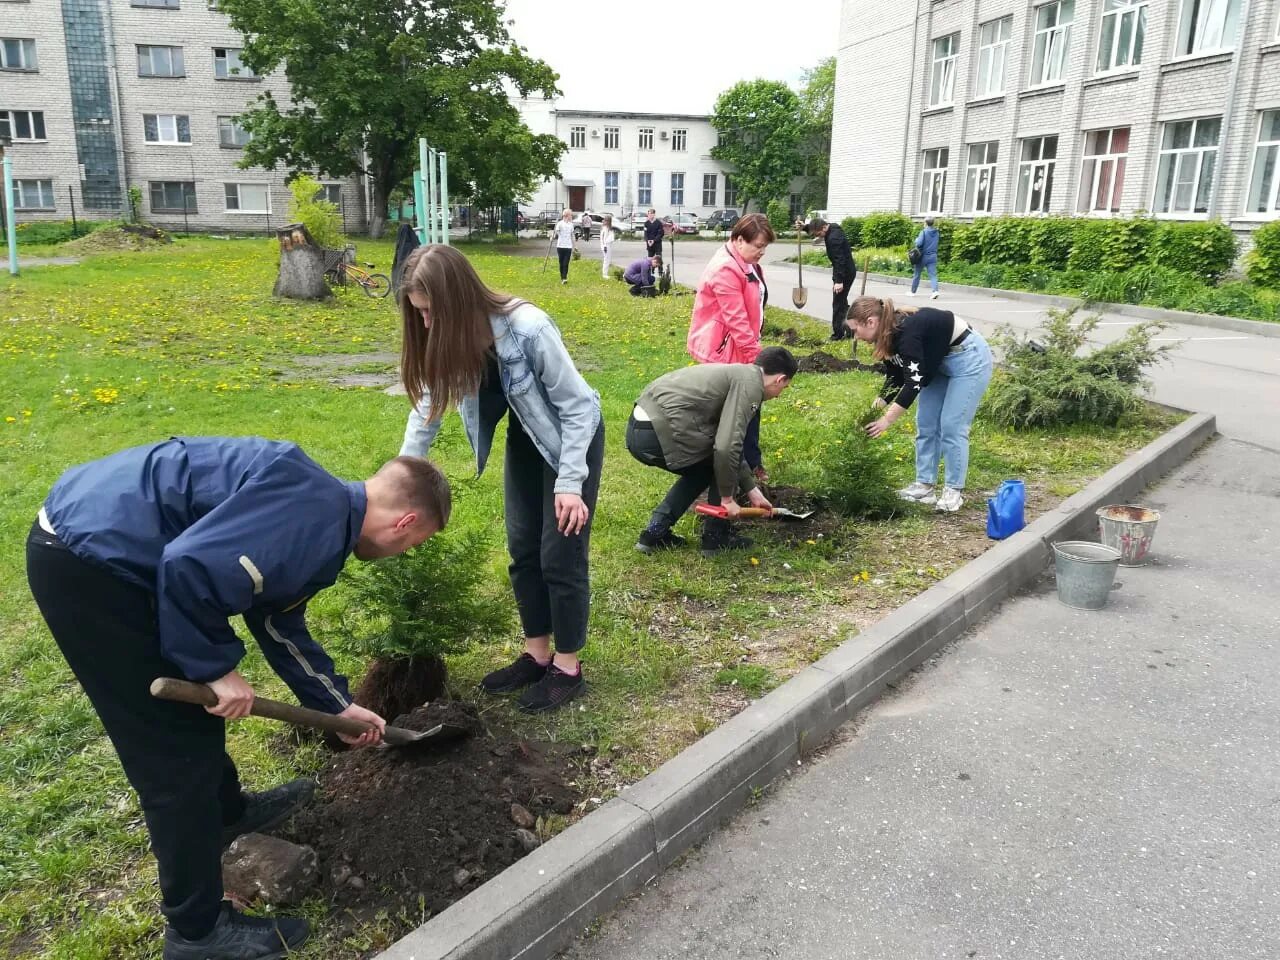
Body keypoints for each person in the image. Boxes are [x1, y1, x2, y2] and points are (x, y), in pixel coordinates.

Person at [25, 437, 450, 960]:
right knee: (173, 755)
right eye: (413, 544)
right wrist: (217, 668)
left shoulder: (324, 518)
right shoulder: (309, 516)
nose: (400, 555)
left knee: (195, 723)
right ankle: (196, 932)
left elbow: (277, 621)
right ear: (403, 523)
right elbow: (186, 566)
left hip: (112, 539)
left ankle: (227, 812)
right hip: (91, 559)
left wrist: (335, 705)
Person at [398, 244, 604, 712]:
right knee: (522, 548)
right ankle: (536, 655)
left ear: (455, 301)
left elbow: (577, 408)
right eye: (420, 314)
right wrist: (404, 476)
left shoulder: (528, 328)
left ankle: (568, 669)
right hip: (527, 438)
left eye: (430, 312)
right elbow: (427, 409)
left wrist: (569, 483)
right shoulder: (446, 335)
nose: (426, 324)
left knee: (561, 553)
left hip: (571, 439)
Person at [627, 347, 798, 557]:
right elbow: (727, 447)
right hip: (660, 430)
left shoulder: (738, 374)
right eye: (785, 387)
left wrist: (752, 490)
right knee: (721, 462)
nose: (780, 395)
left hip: (639, 429)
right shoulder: (750, 386)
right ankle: (716, 538)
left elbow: (724, 441)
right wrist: (727, 498)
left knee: (703, 469)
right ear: (779, 380)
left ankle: (654, 534)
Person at [846, 296, 993, 513]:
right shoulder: (887, 335)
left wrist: (886, 420)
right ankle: (924, 487)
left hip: (967, 357)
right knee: (926, 423)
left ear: (870, 322)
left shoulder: (907, 333)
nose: (855, 336)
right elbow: (896, 376)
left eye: (855, 330)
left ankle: (953, 490)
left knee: (952, 425)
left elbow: (913, 382)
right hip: (938, 362)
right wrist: (872, 410)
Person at [686, 212, 775, 483]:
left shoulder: (745, 263)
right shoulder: (726, 268)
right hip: (725, 351)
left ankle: (747, 465)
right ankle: (728, 472)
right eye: (758, 246)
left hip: (740, 347)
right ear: (738, 240)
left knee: (749, 407)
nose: (761, 252)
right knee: (736, 412)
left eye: (764, 247)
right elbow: (736, 321)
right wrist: (758, 362)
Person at [804, 217, 857, 341]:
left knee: (838, 304)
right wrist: (804, 227)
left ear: (824, 228)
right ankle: (850, 330)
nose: (819, 236)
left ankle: (838, 334)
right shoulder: (832, 226)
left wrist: (839, 281)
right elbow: (816, 228)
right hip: (844, 271)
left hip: (844, 273)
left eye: (818, 234)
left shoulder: (834, 239)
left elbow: (840, 260)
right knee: (842, 303)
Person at [911, 217, 941, 299]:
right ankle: (935, 291)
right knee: (933, 275)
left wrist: (916, 240)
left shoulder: (923, 232)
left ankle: (913, 292)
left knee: (917, 274)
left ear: (925, 223)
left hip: (923, 256)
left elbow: (919, 244)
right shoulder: (937, 232)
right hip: (933, 256)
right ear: (933, 223)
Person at [551, 209, 576, 284]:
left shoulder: (571, 225)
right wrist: (552, 237)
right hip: (560, 246)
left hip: (568, 246)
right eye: (570, 215)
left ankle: (564, 278)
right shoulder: (560, 224)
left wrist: (575, 246)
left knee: (566, 263)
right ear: (566, 215)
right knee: (561, 263)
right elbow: (555, 233)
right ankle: (562, 277)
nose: (571, 216)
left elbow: (572, 235)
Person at [599, 214, 616, 279]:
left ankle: (605, 273)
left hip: (606, 246)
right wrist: (604, 246)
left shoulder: (606, 228)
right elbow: (604, 239)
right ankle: (604, 274)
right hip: (606, 246)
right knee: (606, 260)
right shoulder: (605, 229)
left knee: (607, 260)